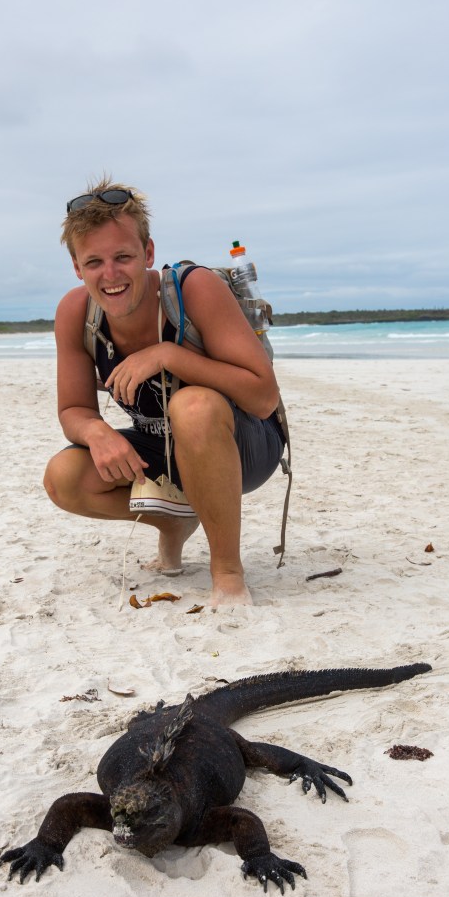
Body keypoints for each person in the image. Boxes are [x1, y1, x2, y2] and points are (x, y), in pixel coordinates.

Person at [43, 178, 285, 606]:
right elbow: (74, 409)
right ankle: (173, 523)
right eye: (94, 261)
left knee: (192, 404)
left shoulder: (192, 289)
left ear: (148, 253)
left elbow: (264, 397)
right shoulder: (76, 312)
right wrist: (97, 433)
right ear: (77, 268)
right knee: (64, 477)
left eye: (123, 257)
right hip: (163, 447)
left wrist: (169, 355)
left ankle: (227, 572)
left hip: (245, 445)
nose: (110, 274)